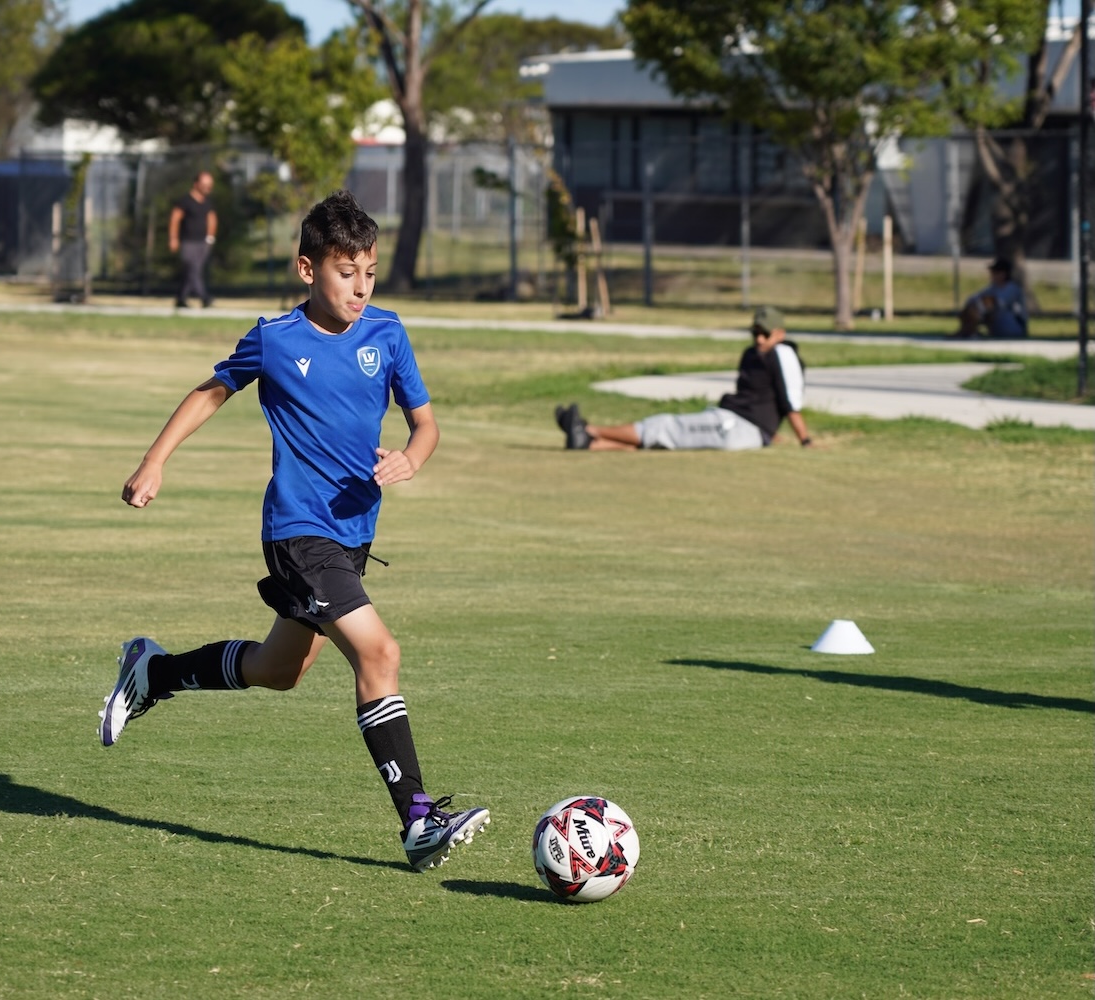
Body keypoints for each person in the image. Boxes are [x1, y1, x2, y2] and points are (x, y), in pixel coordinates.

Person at [101, 190, 489, 871]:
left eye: (369, 269)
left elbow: (425, 424)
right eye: (347, 271)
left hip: (350, 537)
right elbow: (209, 391)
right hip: (296, 532)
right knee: (379, 655)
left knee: (281, 671)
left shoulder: (387, 334)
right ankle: (418, 820)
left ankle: (155, 672)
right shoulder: (276, 340)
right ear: (308, 270)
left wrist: (410, 456)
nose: (361, 285)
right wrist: (153, 462)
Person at [555, 305, 812, 452]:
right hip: (735, 422)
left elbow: (790, 402)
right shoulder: (751, 354)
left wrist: (805, 440)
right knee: (665, 441)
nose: (759, 339)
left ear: (780, 333)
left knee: (668, 427)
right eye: (755, 332)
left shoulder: (783, 353)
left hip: (736, 428)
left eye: (765, 334)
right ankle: (589, 443)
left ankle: (587, 428)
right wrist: (770, 433)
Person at [168, 170, 218, 308]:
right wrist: (173, 238)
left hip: (203, 242)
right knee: (193, 270)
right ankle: (205, 297)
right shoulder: (185, 201)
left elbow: (211, 219)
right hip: (188, 242)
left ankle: (180, 298)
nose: (208, 187)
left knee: (192, 271)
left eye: (210, 185)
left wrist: (210, 238)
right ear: (196, 184)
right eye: (205, 184)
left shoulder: (208, 202)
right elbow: (175, 219)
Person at [955, 257, 1028, 339]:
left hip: (1014, 327)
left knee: (985, 304)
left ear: (1003, 274)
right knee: (972, 308)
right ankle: (967, 332)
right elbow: (972, 299)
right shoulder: (993, 288)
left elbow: (998, 302)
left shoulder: (1013, 289)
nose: (992, 275)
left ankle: (969, 333)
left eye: (995, 272)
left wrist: (980, 306)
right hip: (997, 329)